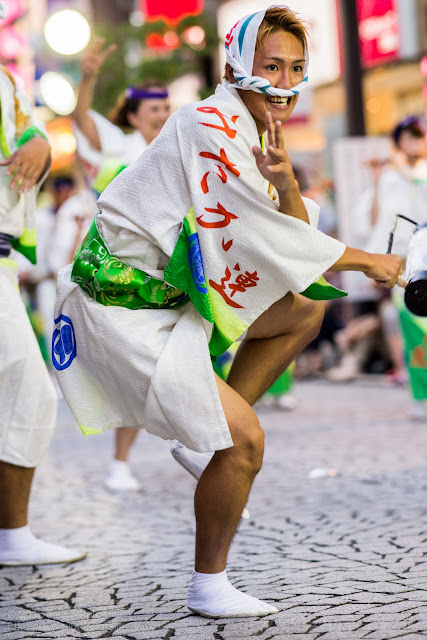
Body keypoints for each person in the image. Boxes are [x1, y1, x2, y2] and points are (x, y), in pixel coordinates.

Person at [53, 7, 401, 617]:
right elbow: (265, 237)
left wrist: (285, 177)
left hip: (169, 302)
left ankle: (205, 442)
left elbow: (291, 244)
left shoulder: (252, 134)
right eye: (271, 66)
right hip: (122, 310)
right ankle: (208, 583)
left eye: (296, 68)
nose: (285, 82)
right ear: (238, 65)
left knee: (301, 312)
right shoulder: (207, 122)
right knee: (246, 444)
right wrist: (370, 259)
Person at [72, 38, 172, 491]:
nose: (162, 113)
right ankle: (119, 463)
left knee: (186, 360)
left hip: (172, 273)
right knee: (135, 371)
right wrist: (88, 77)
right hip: (120, 277)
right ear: (132, 115)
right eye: (153, 108)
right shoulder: (119, 146)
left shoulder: (179, 151)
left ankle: (207, 441)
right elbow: (81, 121)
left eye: (168, 105)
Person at [0, 64, 86, 565]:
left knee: (25, 390)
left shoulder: (9, 82)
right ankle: (11, 533)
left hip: (7, 258)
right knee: (27, 388)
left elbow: (28, 129)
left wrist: (39, 142)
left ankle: (12, 533)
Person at [354, 115, 427, 417]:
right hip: (408, 266)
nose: (413, 143)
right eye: (407, 137)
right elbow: (374, 222)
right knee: (414, 330)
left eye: (418, 136)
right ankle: (421, 396)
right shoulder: (389, 177)